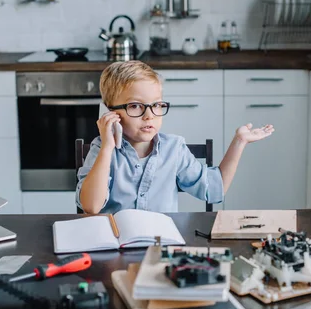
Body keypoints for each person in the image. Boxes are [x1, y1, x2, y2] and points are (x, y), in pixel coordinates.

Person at [76, 60, 274, 214]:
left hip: (162, 246)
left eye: (156, 105)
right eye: (135, 105)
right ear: (109, 113)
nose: (149, 115)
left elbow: (214, 190)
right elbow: (91, 207)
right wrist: (107, 148)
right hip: (115, 246)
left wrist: (239, 141)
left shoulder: (174, 149)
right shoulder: (101, 148)